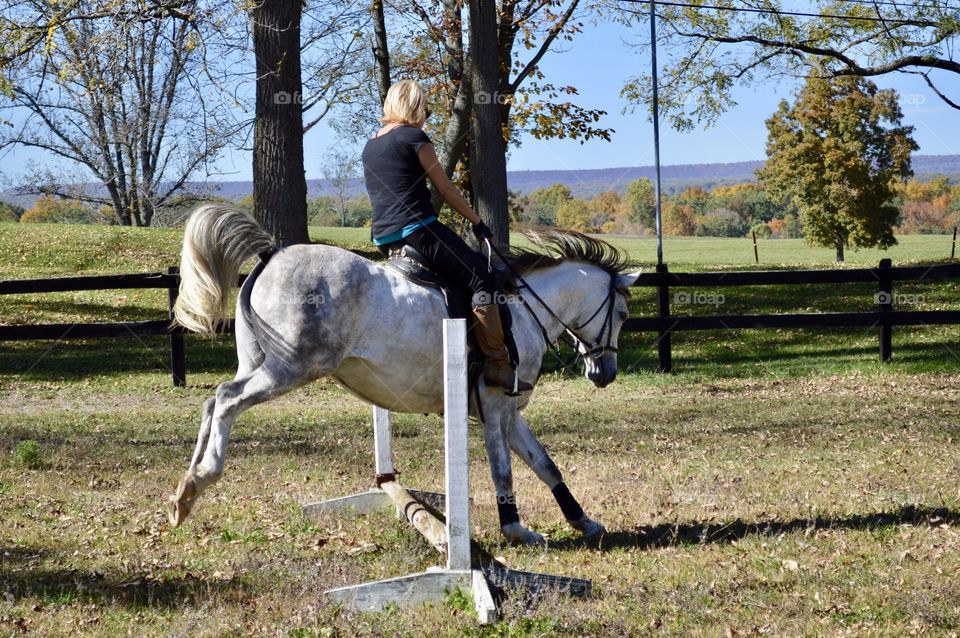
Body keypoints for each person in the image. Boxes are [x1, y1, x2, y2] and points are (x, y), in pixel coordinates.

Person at [361, 79, 532, 394]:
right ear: (414, 107)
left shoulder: (371, 144)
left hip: (385, 238)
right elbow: (445, 188)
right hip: (419, 230)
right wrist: (477, 222)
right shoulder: (415, 138)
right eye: (424, 107)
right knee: (481, 277)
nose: (426, 113)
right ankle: (497, 364)